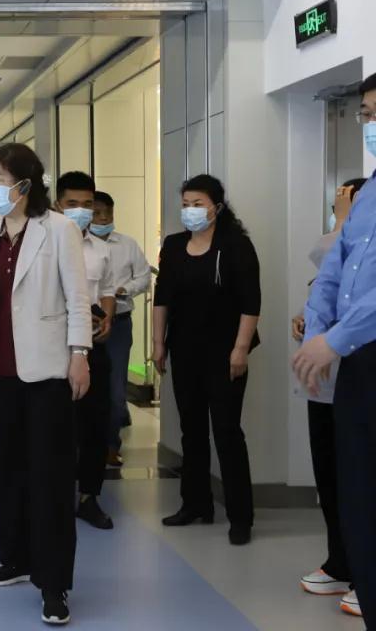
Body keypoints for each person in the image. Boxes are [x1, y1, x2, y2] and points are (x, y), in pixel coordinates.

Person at [0, 143, 91, 626]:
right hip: (2, 370)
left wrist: (80, 356)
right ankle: (16, 557)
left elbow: (77, 298)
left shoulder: (57, 229)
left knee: (50, 479)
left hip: (48, 371)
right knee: (9, 472)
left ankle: (54, 582)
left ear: (25, 183)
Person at [294, 72, 376, 627]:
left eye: (373, 114)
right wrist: (316, 338)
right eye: (364, 114)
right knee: (357, 493)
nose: (367, 124)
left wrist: (336, 338)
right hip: (359, 364)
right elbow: (333, 270)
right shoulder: (368, 195)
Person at [153, 174, 260, 546]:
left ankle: (240, 517)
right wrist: (158, 343)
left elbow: (251, 302)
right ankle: (195, 503)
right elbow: (162, 297)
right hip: (184, 350)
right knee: (192, 430)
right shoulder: (174, 245)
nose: (190, 211)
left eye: (197, 204)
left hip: (225, 353)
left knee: (227, 432)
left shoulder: (235, 246)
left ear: (217, 206)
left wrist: (240, 349)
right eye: (185, 204)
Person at [292, 178, 365, 608]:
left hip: (355, 366)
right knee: (336, 477)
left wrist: (344, 220)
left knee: (360, 482)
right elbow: (328, 278)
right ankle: (342, 564)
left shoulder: (355, 227)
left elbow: (332, 253)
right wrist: (308, 325)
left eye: (347, 195)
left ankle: (361, 575)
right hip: (331, 379)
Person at [55, 171, 117, 531]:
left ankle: (88, 496)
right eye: (72, 204)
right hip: (55, 348)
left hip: (94, 347)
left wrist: (107, 317)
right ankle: (56, 496)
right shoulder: (45, 244)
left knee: (95, 424)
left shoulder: (101, 249)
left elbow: (106, 290)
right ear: (57, 205)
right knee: (58, 427)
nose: (81, 211)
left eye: (87, 204)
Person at [92, 191, 152, 466]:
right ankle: (82, 445)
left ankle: (110, 445)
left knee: (115, 389)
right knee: (84, 388)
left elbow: (144, 277)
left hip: (118, 324)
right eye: (97, 213)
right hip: (85, 324)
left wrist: (124, 289)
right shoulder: (76, 243)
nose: (104, 218)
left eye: (109, 213)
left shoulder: (127, 245)